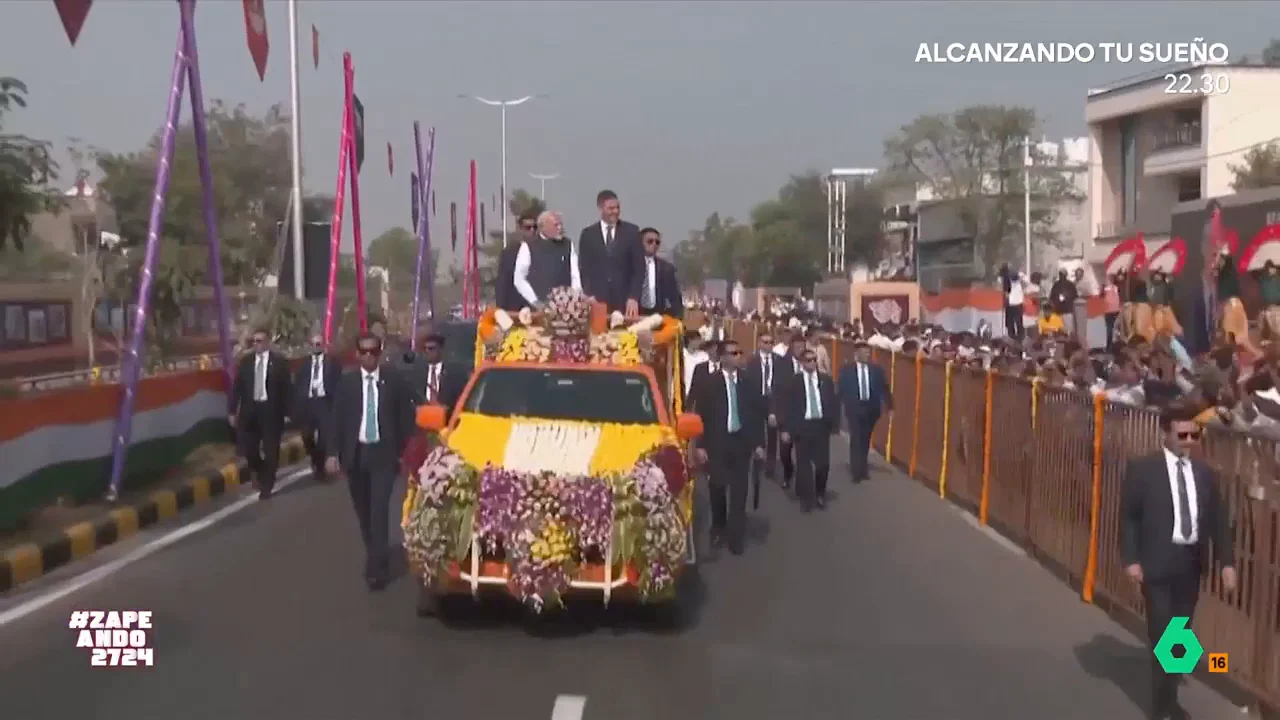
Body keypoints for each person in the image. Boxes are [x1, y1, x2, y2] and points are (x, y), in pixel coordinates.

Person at [1119, 403, 1236, 720]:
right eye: (1181, 433)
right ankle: (1160, 706)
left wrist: (1227, 562)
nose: (1188, 439)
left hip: (1190, 563)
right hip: (1156, 560)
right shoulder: (1143, 469)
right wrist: (1130, 559)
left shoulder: (1204, 472)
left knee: (1180, 633)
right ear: (1166, 433)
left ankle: (1169, 696)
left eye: (1193, 433)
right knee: (1162, 631)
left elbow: (1217, 519)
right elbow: (1129, 517)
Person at [324, 333, 417, 591]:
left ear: (380, 352)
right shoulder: (347, 383)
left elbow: (406, 419)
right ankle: (377, 552)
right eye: (364, 352)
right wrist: (332, 453)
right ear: (357, 354)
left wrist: (406, 451)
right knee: (363, 513)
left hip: (384, 456)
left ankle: (376, 569)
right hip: (356, 455)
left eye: (373, 351)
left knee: (378, 511)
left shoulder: (393, 380)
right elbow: (337, 420)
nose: (369, 356)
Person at [691, 340, 763, 555]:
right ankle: (718, 527)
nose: (739, 356)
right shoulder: (709, 383)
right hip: (717, 444)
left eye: (740, 352)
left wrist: (759, 443)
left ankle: (736, 537)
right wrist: (700, 446)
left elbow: (755, 414)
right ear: (722, 358)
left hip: (741, 443)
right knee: (718, 489)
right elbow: (700, 416)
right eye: (734, 353)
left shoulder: (748, 382)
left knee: (740, 492)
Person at [229, 327, 291, 500]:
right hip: (251, 411)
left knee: (271, 451)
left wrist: (288, 412)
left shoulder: (279, 362)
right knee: (250, 450)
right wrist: (232, 410)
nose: (256, 344)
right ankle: (261, 470)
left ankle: (267, 486)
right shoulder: (246, 362)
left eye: (260, 341)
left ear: (268, 342)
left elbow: (287, 389)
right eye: (254, 341)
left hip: (271, 412)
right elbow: (237, 388)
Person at [780, 348, 837, 511]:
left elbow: (832, 403)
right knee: (804, 465)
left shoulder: (825, 380)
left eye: (814, 360)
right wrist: (786, 429)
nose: (812, 363)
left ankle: (820, 492)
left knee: (822, 465)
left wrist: (833, 424)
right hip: (802, 427)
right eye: (809, 360)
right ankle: (806, 498)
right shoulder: (794, 382)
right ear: (802, 363)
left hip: (820, 426)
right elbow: (788, 407)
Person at [578, 189, 643, 316]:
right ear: (600, 208)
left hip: (625, 302)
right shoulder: (588, 235)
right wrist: (589, 294)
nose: (615, 211)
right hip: (597, 301)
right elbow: (584, 268)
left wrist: (633, 297)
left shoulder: (632, 232)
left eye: (617, 208)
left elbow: (639, 269)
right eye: (611, 208)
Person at [837, 340, 892, 482]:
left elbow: (885, 388)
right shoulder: (847, 370)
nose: (867, 355)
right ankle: (856, 471)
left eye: (868, 352)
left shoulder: (876, 370)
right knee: (856, 438)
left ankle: (863, 467)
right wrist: (835, 408)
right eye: (864, 352)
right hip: (854, 408)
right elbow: (840, 390)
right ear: (856, 354)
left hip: (871, 408)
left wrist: (890, 406)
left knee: (865, 439)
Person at [291, 332, 343, 478]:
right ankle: (315, 459)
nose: (316, 347)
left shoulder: (332, 363)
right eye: (313, 344)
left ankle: (320, 469)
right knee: (306, 435)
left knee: (324, 438)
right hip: (308, 404)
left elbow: (339, 385)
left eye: (318, 344)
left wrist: (337, 406)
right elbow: (298, 384)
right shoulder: (304, 364)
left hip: (325, 403)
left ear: (323, 345)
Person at [512, 210, 583, 307]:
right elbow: (519, 279)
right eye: (556, 225)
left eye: (561, 224)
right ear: (542, 227)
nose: (560, 228)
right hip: (537, 307)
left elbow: (575, 274)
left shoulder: (567, 244)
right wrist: (534, 301)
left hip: (564, 308)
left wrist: (574, 298)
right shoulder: (528, 246)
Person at [743, 330, 782, 480]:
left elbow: (780, 385)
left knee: (772, 434)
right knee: (758, 433)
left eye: (771, 342)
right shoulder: (751, 361)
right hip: (757, 401)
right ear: (759, 343)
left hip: (772, 401)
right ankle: (758, 458)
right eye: (765, 342)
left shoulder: (779, 361)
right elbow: (748, 384)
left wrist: (775, 408)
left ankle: (770, 465)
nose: (768, 345)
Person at [416, 332, 466, 421]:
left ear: (440, 349)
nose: (427, 352)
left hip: (445, 423)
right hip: (422, 423)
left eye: (431, 349)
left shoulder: (454, 375)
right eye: (425, 349)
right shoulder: (417, 374)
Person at [636, 227, 683, 318]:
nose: (654, 244)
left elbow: (675, 298)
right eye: (650, 241)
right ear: (640, 243)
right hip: (634, 315)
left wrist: (678, 318)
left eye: (657, 242)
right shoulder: (630, 265)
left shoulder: (666, 268)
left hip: (657, 316)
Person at [497, 211, 539, 311]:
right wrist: (501, 308)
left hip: (536, 308)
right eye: (528, 228)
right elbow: (502, 282)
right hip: (514, 308)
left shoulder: (543, 252)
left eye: (535, 227)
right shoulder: (509, 253)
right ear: (520, 229)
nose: (532, 230)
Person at [999, 264, 1024, 339]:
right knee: (1019, 324)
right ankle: (1020, 339)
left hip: (1010, 304)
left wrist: (1004, 303)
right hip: (1019, 303)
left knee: (1010, 325)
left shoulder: (1006, 278)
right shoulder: (1018, 277)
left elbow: (1007, 292)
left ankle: (1012, 340)